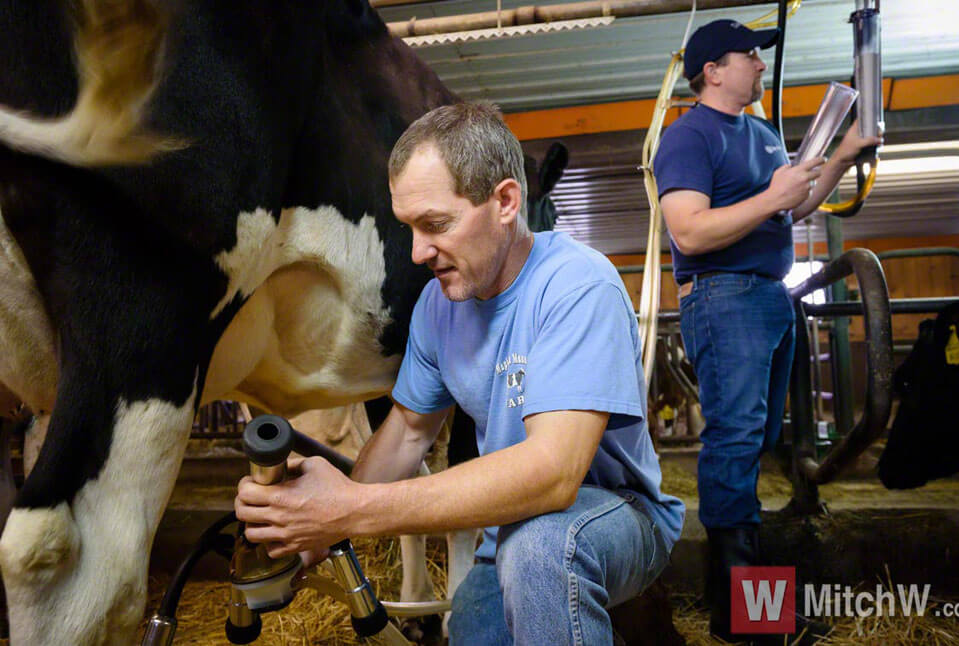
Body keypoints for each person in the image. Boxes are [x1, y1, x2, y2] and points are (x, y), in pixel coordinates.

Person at [236, 102, 685, 645]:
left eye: (436, 225)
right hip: (507, 535)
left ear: (504, 202)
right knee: (475, 621)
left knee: (545, 547)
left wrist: (351, 510)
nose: (419, 251)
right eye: (409, 228)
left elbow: (555, 473)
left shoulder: (577, 284)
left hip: (617, 516)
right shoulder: (437, 306)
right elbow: (407, 433)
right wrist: (310, 529)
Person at [652, 18, 881, 644]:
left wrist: (839, 157)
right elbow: (690, 231)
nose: (759, 63)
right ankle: (748, 623)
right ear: (712, 71)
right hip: (722, 295)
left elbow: (793, 205)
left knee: (755, 444)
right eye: (748, 55)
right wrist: (773, 194)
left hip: (767, 296)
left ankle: (751, 611)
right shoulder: (688, 137)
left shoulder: (758, 132)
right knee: (733, 442)